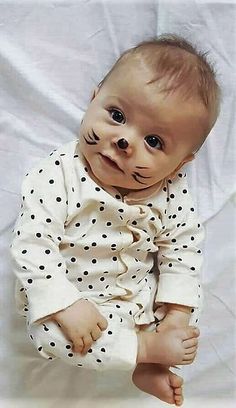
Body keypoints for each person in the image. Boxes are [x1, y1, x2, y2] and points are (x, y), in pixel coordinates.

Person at [11, 34, 220, 406]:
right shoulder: (59, 173)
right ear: (94, 99)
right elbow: (31, 243)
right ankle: (142, 351)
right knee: (51, 336)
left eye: (154, 142)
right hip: (73, 301)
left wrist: (175, 317)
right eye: (117, 116)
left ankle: (154, 357)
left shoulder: (171, 191)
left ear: (181, 164)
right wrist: (63, 303)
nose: (125, 141)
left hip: (140, 296)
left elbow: (183, 247)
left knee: (189, 290)